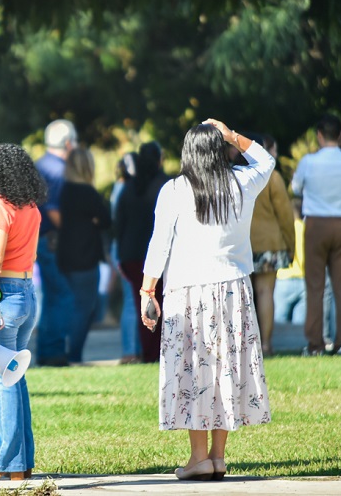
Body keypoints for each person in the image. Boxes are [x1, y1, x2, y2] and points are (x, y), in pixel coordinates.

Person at [140, 119, 272, 482]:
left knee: (193, 371)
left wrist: (147, 290)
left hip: (187, 292)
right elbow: (266, 162)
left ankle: (199, 457)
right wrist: (234, 136)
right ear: (221, 150)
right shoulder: (242, 183)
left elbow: (159, 244)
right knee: (225, 369)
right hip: (233, 291)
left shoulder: (174, 190)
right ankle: (217, 457)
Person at [0, 143, 47, 482]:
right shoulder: (32, 208)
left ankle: (5, 461)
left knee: (3, 380)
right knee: (15, 377)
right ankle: (22, 462)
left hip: (5, 294)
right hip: (27, 293)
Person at [290, 114, 341, 356]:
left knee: (314, 286)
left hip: (316, 224)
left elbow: (296, 188)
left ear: (319, 135)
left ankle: (315, 344)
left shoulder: (308, 162)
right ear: (340, 135)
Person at [115, 141, 170, 363]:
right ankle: (158, 352)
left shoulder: (129, 187)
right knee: (161, 304)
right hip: (157, 254)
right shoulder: (166, 185)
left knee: (142, 304)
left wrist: (120, 253)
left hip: (131, 254)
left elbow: (119, 223)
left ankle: (147, 352)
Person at [57, 147, 112, 363]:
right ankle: (74, 354)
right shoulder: (89, 193)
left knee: (68, 306)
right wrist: (92, 221)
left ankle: (63, 350)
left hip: (65, 255)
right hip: (86, 257)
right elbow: (106, 220)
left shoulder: (63, 191)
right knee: (85, 307)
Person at [34, 119, 78, 367]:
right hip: (51, 241)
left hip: (40, 239)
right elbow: (54, 211)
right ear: (69, 143)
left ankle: (47, 350)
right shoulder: (59, 170)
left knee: (53, 295)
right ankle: (53, 352)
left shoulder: (41, 165)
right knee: (62, 295)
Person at [248, 134, 295, 355]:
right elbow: (286, 216)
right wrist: (291, 246)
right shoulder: (271, 176)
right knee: (265, 292)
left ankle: (246, 347)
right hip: (270, 242)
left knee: (244, 297)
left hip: (242, 244)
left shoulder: (235, 174)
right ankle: (265, 345)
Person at [111, 152, 141, 364]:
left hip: (121, 246)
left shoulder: (118, 188)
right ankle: (131, 350)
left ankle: (133, 349)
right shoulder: (128, 189)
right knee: (133, 301)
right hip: (127, 247)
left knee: (133, 301)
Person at [274, 198, 307, 324]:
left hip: (283, 278)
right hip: (303, 279)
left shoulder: (282, 229)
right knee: (299, 325)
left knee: (279, 321)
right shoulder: (306, 229)